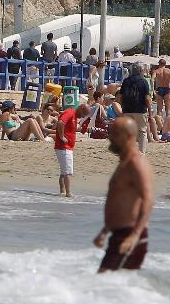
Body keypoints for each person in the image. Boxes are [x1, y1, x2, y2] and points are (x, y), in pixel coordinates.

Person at [94, 117, 155, 273]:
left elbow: (148, 199)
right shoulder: (124, 163)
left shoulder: (136, 163)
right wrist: (105, 231)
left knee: (102, 283)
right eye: (110, 132)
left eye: (115, 134)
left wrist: (134, 235)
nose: (110, 137)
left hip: (129, 236)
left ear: (129, 136)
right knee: (112, 288)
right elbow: (120, 201)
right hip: (119, 234)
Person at [55, 103, 87, 198]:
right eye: (83, 114)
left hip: (67, 147)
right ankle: (68, 193)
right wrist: (61, 137)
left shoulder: (74, 116)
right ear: (81, 108)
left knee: (63, 171)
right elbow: (60, 122)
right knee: (68, 171)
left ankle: (62, 191)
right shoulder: (70, 112)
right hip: (64, 147)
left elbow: (70, 129)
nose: (83, 116)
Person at [118, 62, 152, 153]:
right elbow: (147, 98)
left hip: (127, 109)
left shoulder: (126, 81)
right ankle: (141, 153)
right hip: (140, 110)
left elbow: (120, 97)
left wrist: (122, 107)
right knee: (142, 132)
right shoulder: (143, 81)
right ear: (141, 70)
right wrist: (150, 112)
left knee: (128, 132)